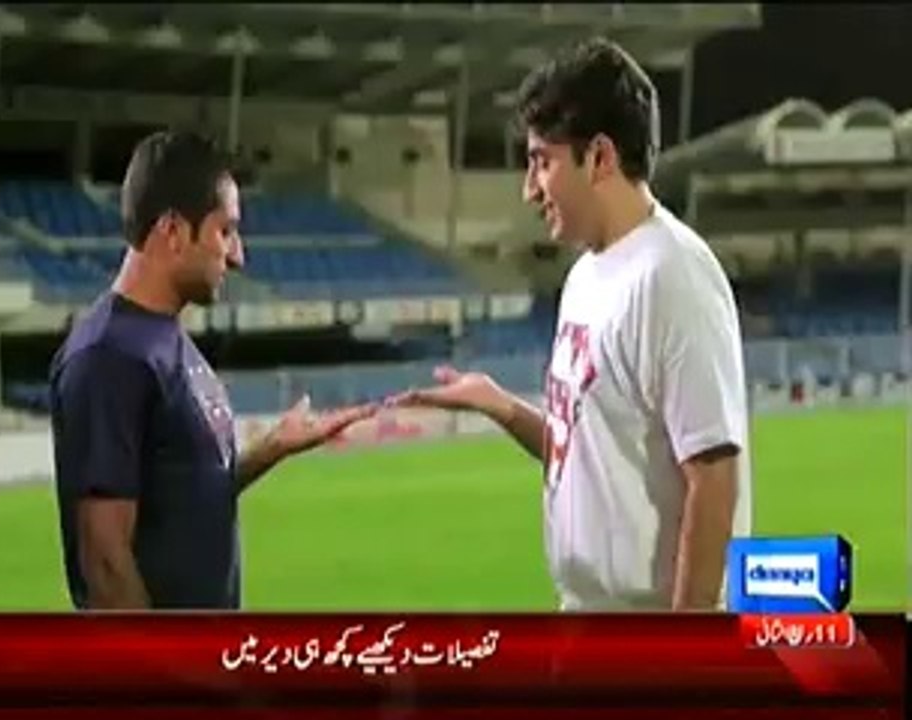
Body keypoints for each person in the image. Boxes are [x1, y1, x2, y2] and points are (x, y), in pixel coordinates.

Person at [395, 38, 751, 612]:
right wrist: (502, 407)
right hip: (585, 616)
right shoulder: (586, 274)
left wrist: (686, 649)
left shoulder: (673, 276)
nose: (529, 189)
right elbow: (585, 452)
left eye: (543, 161)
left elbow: (713, 479)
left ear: (600, 157)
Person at [49, 131, 376, 610]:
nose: (238, 255)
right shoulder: (108, 355)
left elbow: (184, 495)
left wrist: (272, 448)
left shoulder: (164, 338)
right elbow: (105, 564)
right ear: (173, 232)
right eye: (226, 231)